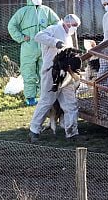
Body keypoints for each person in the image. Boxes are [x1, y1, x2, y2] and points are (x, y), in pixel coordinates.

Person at [28, 14, 85, 142]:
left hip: (66, 72)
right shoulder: (54, 29)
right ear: (67, 23)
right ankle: (34, 130)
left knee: (70, 104)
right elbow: (38, 36)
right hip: (51, 71)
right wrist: (55, 42)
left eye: (77, 26)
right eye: (74, 26)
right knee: (46, 101)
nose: (75, 28)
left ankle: (72, 133)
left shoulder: (68, 35)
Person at [8, 0, 60, 106]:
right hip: (28, 47)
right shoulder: (23, 12)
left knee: (46, 71)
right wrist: (21, 37)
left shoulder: (47, 11)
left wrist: (50, 37)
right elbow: (11, 25)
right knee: (28, 72)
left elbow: (57, 23)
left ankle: (45, 96)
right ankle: (30, 98)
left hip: (44, 48)